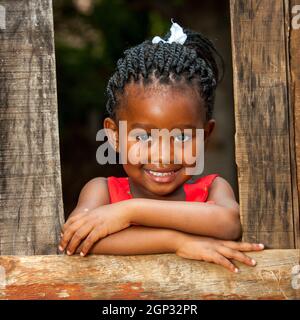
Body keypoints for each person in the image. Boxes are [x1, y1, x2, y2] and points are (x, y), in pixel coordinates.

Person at [58, 20, 264, 273]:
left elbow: (229, 223)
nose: (163, 155)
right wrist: (177, 241)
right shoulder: (102, 192)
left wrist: (130, 212)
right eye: (144, 137)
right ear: (114, 135)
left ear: (206, 135)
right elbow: (78, 240)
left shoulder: (212, 189)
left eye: (181, 137)